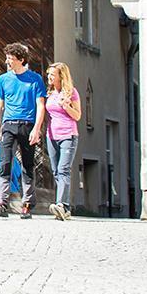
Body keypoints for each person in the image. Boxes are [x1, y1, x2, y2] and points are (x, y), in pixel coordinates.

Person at [0, 42, 46, 218]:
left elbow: (41, 105)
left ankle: (27, 204)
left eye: (11, 58)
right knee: (4, 164)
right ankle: (1, 203)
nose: (7, 61)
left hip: (28, 125)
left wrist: (36, 129)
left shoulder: (35, 79)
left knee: (28, 166)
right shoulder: (3, 79)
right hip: (9, 125)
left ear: (21, 60)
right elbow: (0, 106)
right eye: (7, 58)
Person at [43, 62, 83, 221]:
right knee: (55, 171)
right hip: (52, 136)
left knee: (63, 169)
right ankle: (64, 209)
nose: (49, 77)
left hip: (68, 135)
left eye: (52, 74)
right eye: (49, 74)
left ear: (61, 76)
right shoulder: (50, 93)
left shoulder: (71, 93)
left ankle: (62, 205)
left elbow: (78, 116)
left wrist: (66, 106)